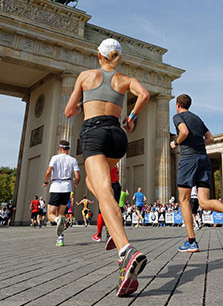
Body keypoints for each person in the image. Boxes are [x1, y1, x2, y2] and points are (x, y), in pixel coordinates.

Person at [63, 37, 150, 296]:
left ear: (99, 55)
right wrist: (132, 117)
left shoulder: (86, 76)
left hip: (94, 133)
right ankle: (114, 224)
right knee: (97, 186)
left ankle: (126, 250)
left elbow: (69, 111)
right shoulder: (125, 80)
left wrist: (82, 105)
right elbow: (144, 95)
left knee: (101, 190)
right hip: (118, 135)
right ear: (118, 57)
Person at [171, 93, 223, 253]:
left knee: (183, 199)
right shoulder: (197, 118)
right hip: (203, 159)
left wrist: (176, 143)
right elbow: (210, 138)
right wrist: (198, 142)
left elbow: (183, 132)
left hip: (189, 159)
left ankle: (191, 241)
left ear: (178, 104)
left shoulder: (178, 116)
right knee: (204, 201)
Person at [43, 140, 81, 246]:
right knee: (61, 213)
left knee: (51, 214)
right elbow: (77, 176)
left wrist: (46, 181)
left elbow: (48, 171)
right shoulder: (73, 160)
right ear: (68, 149)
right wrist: (76, 184)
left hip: (56, 187)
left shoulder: (55, 158)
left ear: (59, 148)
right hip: (67, 188)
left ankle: (57, 220)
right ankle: (60, 238)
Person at [93, 166, 122, 242]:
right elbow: (118, 176)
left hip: (106, 185)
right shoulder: (115, 165)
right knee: (113, 209)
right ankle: (111, 232)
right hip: (115, 185)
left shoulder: (103, 162)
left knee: (102, 210)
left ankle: (98, 235)